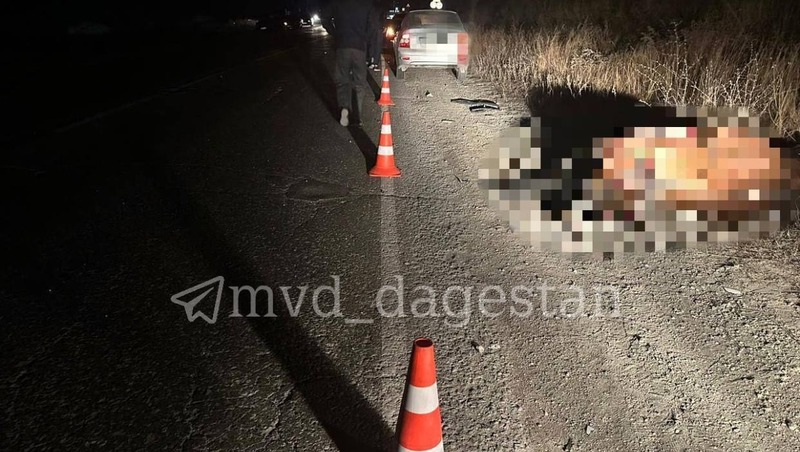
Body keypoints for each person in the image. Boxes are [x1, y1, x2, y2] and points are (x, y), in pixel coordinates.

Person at [321, 0, 373, 127]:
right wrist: (364, 38)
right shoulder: (366, 4)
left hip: (342, 46)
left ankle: (345, 107)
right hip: (359, 48)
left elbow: (325, 19)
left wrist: (336, 34)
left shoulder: (337, 3)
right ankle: (358, 116)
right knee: (360, 83)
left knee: (342, 80)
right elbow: (373, 25)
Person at [366, 1, 385, 71]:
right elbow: (383, 17)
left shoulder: (370, 6)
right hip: (378, 28)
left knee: (372, 44)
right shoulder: (381, 6)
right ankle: (375, 63)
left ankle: (372, 61)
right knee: (377, 46)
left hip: (372, 27)